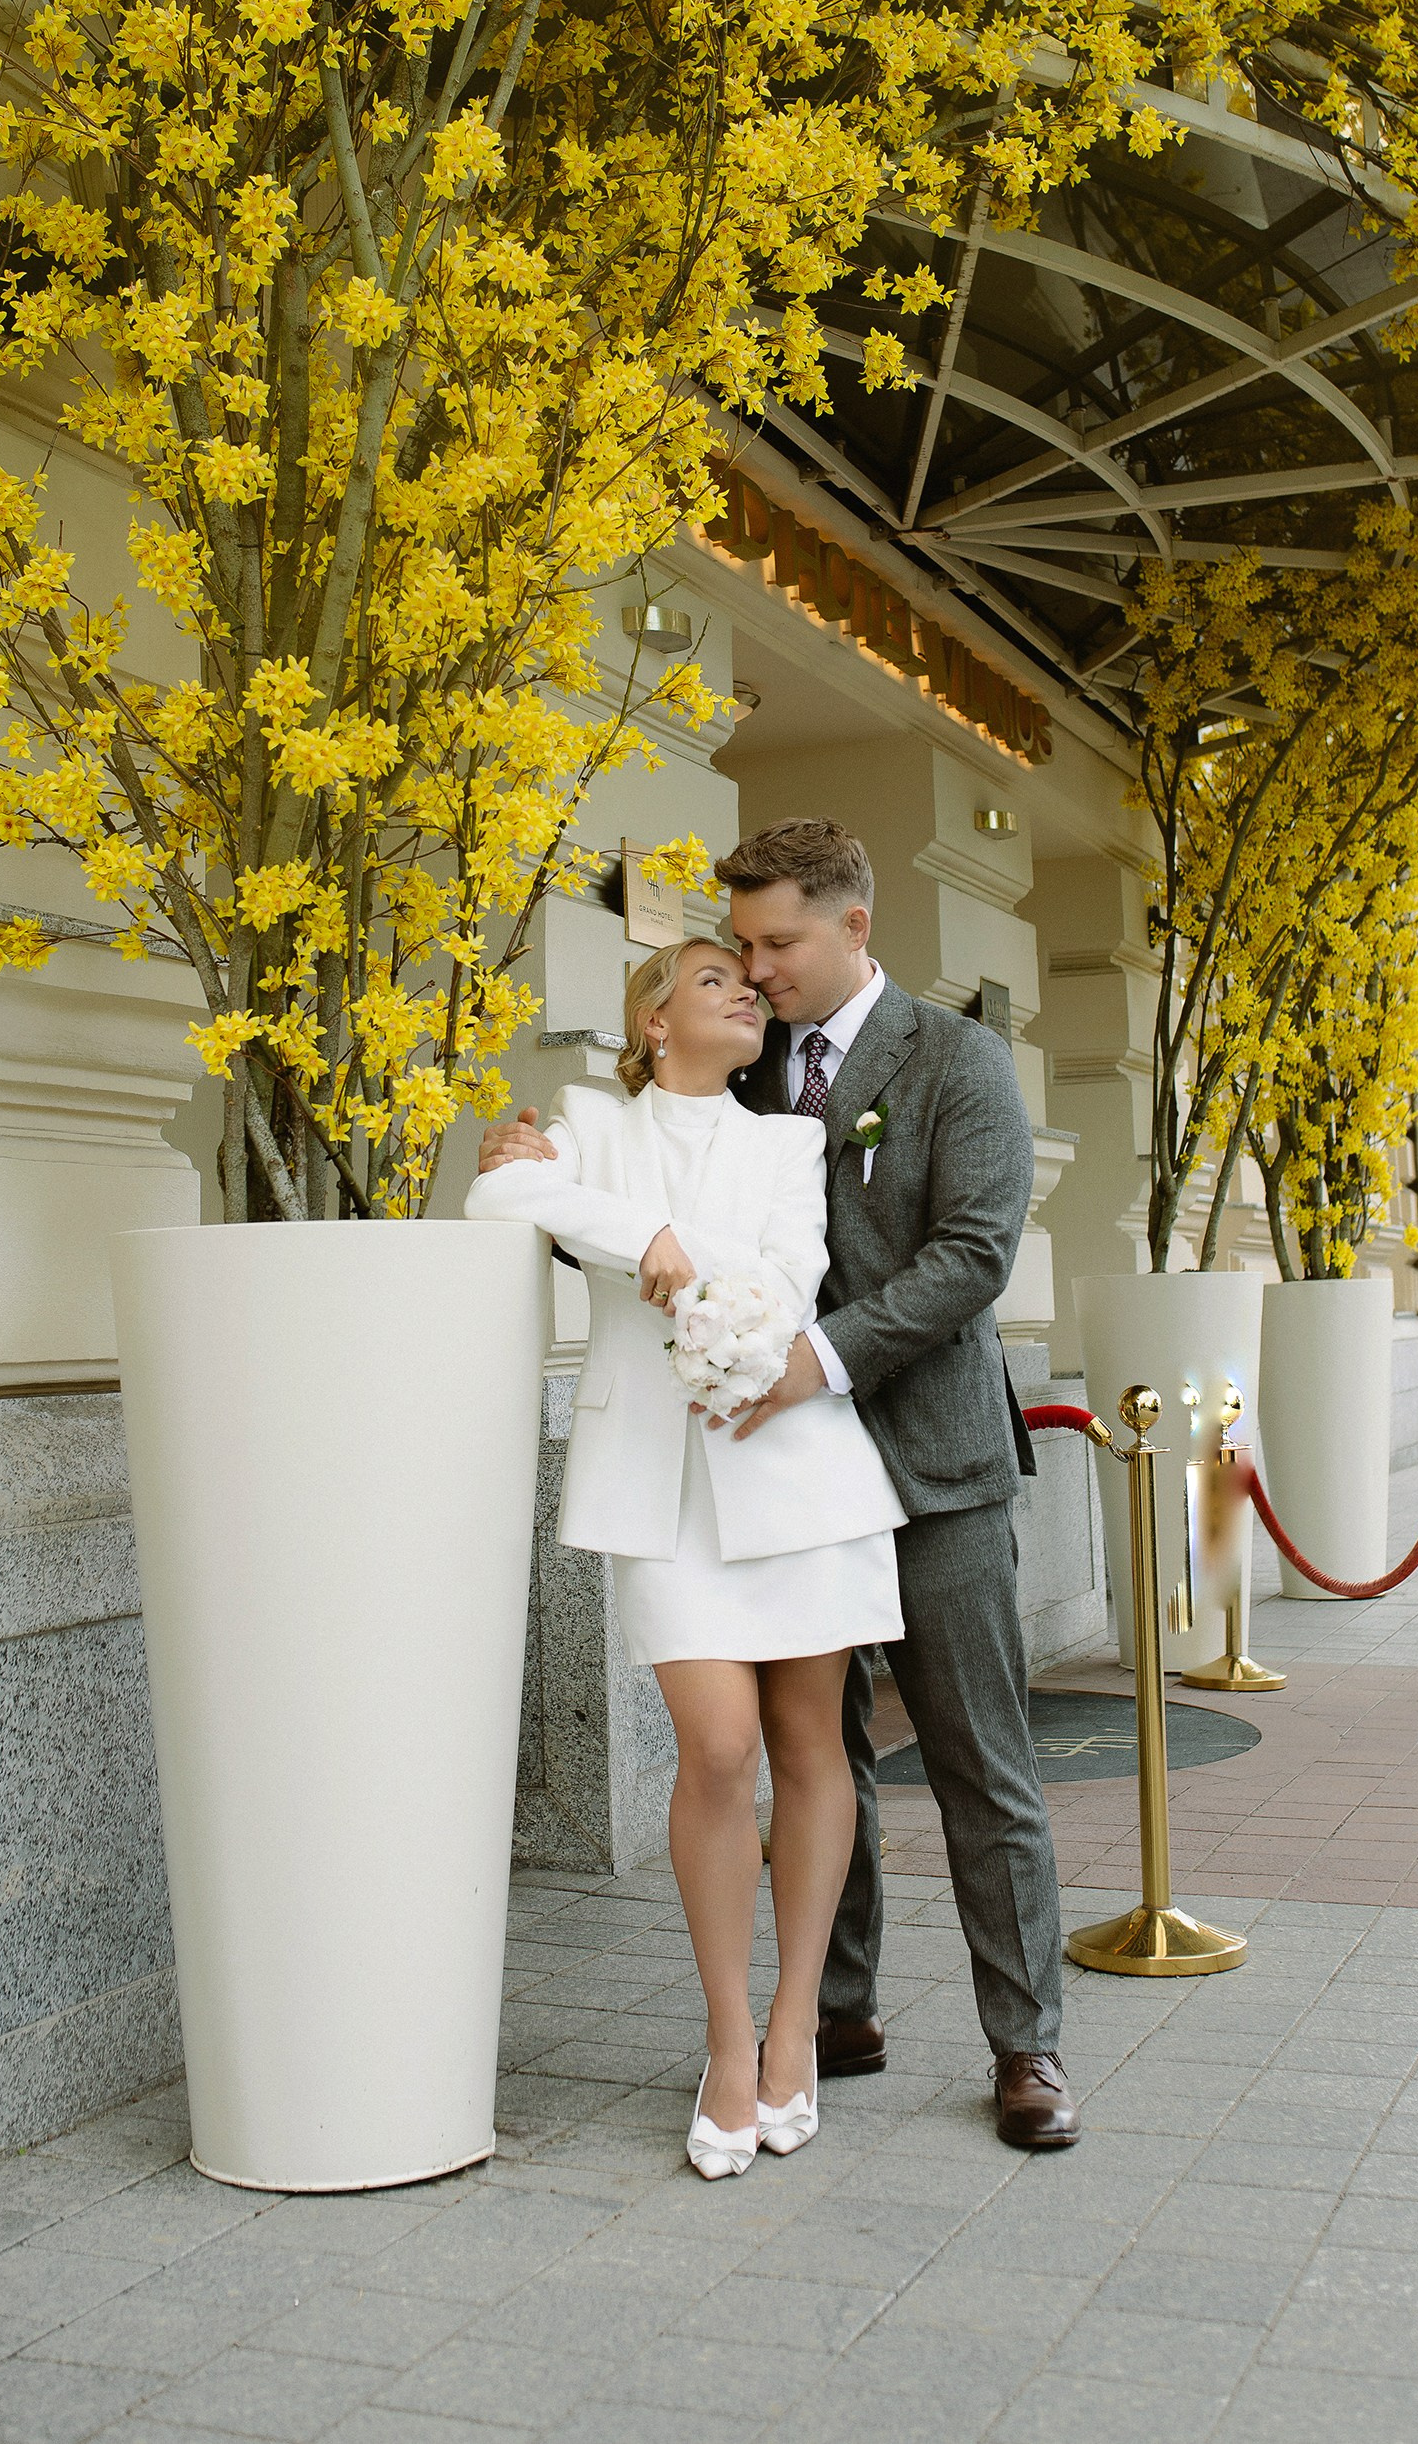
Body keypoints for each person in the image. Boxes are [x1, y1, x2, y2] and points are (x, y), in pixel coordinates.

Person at [481, 816, 1080, 2154]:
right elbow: (651, 1151)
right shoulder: (740, 1080)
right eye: (737, 948)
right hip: (761, 1472)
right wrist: (536, 1160)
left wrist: (811, 1357)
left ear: (852, 924)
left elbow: (975, 1251)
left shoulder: (956, 1056)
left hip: (929, 1456)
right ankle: (836, 2012)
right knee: (832, 1760)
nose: (755, 971)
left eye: (776, 942)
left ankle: (1025, 2044)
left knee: (979, 1760)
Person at [466, 934, 906, 2181]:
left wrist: (678, 1253)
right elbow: (499, 1197)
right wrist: (643, 1228)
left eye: (750, 985)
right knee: (717, 1748)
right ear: (655, 1020)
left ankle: (789, 2033)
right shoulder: (589, 1125)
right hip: (659, 1492)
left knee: (815, 1750)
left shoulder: (789, 1142)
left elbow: (790, 1277)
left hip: (794, 1472)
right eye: (716, 982)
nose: (746, 996)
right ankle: (722, 2038)